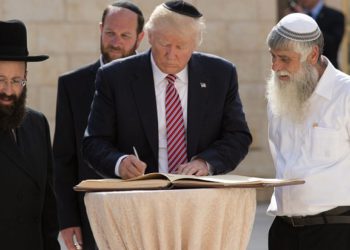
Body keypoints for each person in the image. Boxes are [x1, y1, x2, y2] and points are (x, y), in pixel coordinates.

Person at [82, 0, 252, 180]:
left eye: (180, 46)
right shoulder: (115, 77)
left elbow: (237, 136)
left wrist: (206, 163)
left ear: (195, 44)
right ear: (149, 37)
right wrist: (119, 163)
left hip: (201, 192)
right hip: (139, 193)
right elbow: (94, 142)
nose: (171, 55)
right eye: (164, 44)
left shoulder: (221, 75)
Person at [53, 1, 144, 250]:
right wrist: (67, 218)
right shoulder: (72, 85)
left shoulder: (156, 83)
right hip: (93, 215)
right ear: (100, 29)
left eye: (125, 35)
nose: (116, 42)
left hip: (146, 213)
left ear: (140, 38)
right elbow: (63, 159)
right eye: (110, 33)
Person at [266, 13, 350, 250]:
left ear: (312, 55)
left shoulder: (346, 95)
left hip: (336, 232)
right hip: (283, 232)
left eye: (284, 59)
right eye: (272, 57)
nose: (275, 67)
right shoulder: (279, 96)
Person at [0, 20, 60, 250]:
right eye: (1, 80)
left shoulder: (37, 124)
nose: (8, 90)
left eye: (16, 81)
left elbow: (48, 205)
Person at [287, 0, 345, 69]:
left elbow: (332, 45)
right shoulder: (295, 16)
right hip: (301, 72)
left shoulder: (336, 16)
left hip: (327, 71)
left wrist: (306, 21)